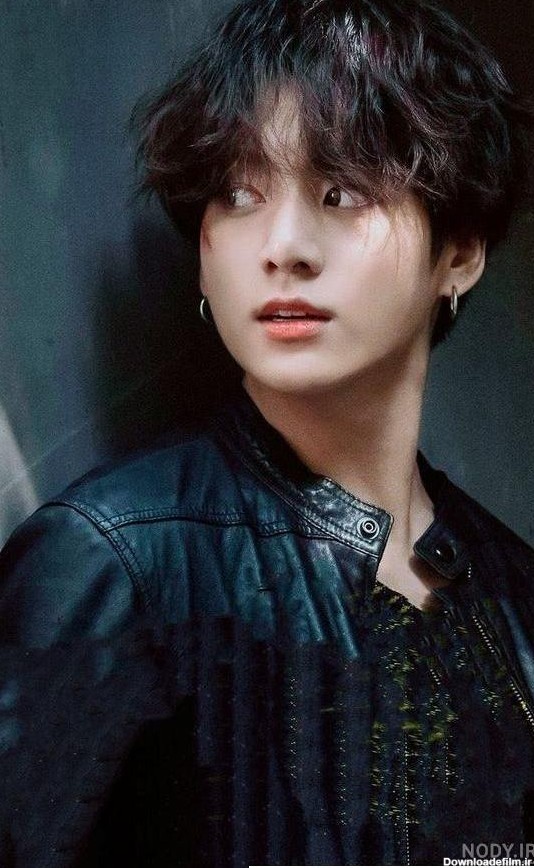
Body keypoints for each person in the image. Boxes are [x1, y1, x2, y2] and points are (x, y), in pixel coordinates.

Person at [1, 0, 533, 865]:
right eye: (241, 194)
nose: (283, 247)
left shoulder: (514, 597)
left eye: (341, 192)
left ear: (460, 253)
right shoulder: (115, 563)